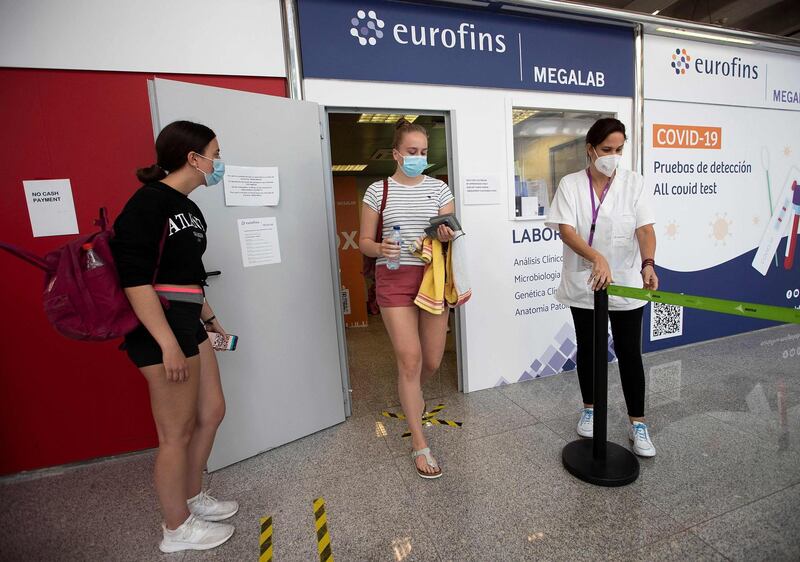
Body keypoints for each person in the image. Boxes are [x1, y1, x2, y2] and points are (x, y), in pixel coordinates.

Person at [111, 121, 238, 552]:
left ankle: (191, 495)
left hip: (189, 321)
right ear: (193, 158)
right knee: (176, 432)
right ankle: (175, 529)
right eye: (215, 154)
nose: (218, 163)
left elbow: (188, 275)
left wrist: (211, 318)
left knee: (213, 410)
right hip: (159, 328)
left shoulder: (189, 207)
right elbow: (135, 280)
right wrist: (166, 343)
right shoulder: (148, 204)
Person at [545, 117, 658, 457]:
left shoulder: (633, 184)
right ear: (590, 149)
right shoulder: (571, 185)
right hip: (584, 282)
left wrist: (648, 263)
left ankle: (638, 424)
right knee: (590, 349)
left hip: (625, 284)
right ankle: (590, 409)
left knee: (628, 354)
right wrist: (596, 257)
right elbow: (566, 230)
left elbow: (645, 229)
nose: (613, 156)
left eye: (619, 149)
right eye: (607, 149)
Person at [359, 119, 455, 478]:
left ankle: (412, 395)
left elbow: (450, 234)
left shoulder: (439, 190)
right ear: (396, 154)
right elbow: (365, 241)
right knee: (410, 360)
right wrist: (379, 246)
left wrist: (446, 235)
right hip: (394, 278)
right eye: (411, 152)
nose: (418, 157)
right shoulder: (377, 190)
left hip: (431, 278)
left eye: (423, 152)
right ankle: (420, 443)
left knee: (430, 361)